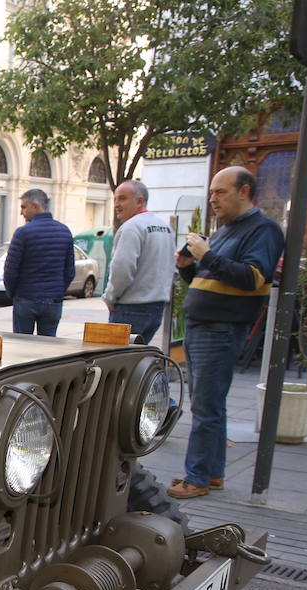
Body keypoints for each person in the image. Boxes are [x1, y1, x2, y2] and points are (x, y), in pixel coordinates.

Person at [168, 166, 284, 500]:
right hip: (203, 324)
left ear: (244, 191)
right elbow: (210, 280)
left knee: (206, 407)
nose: (213, 199)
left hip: (220, 328)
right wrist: (188, 268)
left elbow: (252, 278)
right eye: (212, 192)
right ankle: (211, 472)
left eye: (221, 192)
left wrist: (208, 255)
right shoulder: (225, 230)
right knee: (209, 404)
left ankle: (197, 476)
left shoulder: (263, 229)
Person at [103, 179, 176, 346]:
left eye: (122, 198)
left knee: (116, 363)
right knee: (136, 362)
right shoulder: (164, 227)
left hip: (130, 307)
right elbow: (172, 267)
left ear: (140, 201)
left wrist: (110, 297)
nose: (116, 204)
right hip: (156, 307)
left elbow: (122, 268)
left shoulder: (131, 227)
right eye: (115, 199)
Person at [3, 188, 75, 336]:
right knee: (48, 347)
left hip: (25, 298)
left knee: (22, 345)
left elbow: (10, 271)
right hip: (53, 301)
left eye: (24, 207)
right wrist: (58, 291)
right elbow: (69, 271)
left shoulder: (23, 233)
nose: (21, 212)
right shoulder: (64, 231)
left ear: (35, 206)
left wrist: (13, 294)